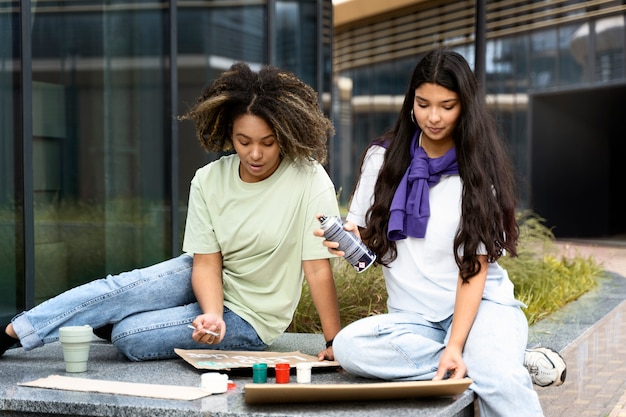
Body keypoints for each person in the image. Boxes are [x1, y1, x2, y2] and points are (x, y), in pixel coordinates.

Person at [1, 62, 341, 362]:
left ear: (285, 134)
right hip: (207, 276)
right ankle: (13, 332)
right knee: (120, 288)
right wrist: (211, 313)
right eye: (243, 141)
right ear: (228, 134)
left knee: (127, 337)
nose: (254, 153)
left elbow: (316, 269)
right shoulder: (209, 180)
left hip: (251, 316)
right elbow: (207, 262)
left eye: (267, 142)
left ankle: (120, 319)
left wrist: (333, 341)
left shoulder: (309, 180)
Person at [315, 48, 565, 416]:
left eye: (447, 106)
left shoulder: (478, 171)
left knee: (499, 382)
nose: (433, 117)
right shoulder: (381, 159)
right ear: (410, 101)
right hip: (413, 318)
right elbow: (369, 232)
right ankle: (494, 357)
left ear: (465, 105)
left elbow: (474, 268)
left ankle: (491, 359)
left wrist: (456, 342)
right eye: (423, 103)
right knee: (350, 347)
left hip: (481, 308)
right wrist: (351, 236)